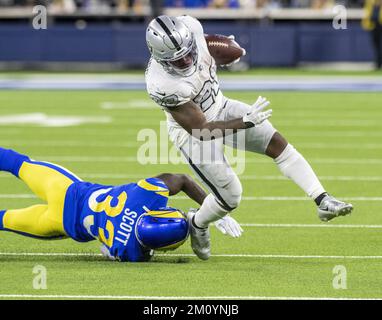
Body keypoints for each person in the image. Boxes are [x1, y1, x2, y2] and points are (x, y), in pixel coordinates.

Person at [145, 15, 354, 260]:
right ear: (162, 59)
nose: (187, 59)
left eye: (188, 52)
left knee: (277, 144)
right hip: (194, 134)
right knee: (231, 196)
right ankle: (198, 222)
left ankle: (322, 200)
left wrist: (226, 50)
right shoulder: (162, 83)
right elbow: (202, 129)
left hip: (220, 105)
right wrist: (244, 121)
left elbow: (206, 46)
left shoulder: (191, 27)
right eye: (178, 60)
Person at [0, 147, 242, 262]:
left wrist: (213, 209)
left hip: (66, 191)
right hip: (60, 224)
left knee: (16, 162)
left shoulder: (146, 196)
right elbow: (107, 251)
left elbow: (183, 179)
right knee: (4, 220)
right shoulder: (132, 252)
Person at [362, 0, 382, 69]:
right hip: (374, 25)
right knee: (376, 45)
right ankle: (378, 63)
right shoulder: (370, 1)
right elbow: (367, 12)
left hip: (380, 24)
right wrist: (366, 23)